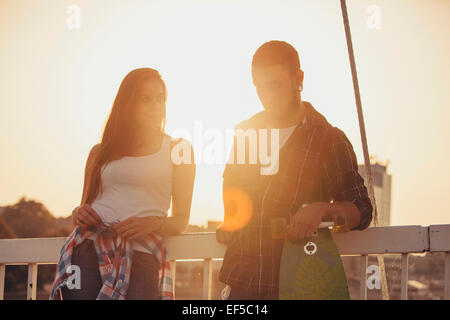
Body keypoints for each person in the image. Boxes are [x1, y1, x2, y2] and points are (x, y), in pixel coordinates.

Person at [216, 40, 373, 300]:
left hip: (300, 285)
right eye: (259, 87)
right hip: (242, 282)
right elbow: (231, 189)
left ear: (298, 78)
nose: (267, 96)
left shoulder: (329, 140)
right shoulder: (245, 133)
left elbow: (363, 211)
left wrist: (321, 209)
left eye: (275, 85)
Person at [50, 68, 196, 300]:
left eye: (160, 98)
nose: (156, 105)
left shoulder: (180, 149)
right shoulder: (99, 153)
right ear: (128, 104)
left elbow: (181, 221)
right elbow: (83, 208)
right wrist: (80, 213)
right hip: (87, 250)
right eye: (146, 99)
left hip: (141, 253)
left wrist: (153, 223)